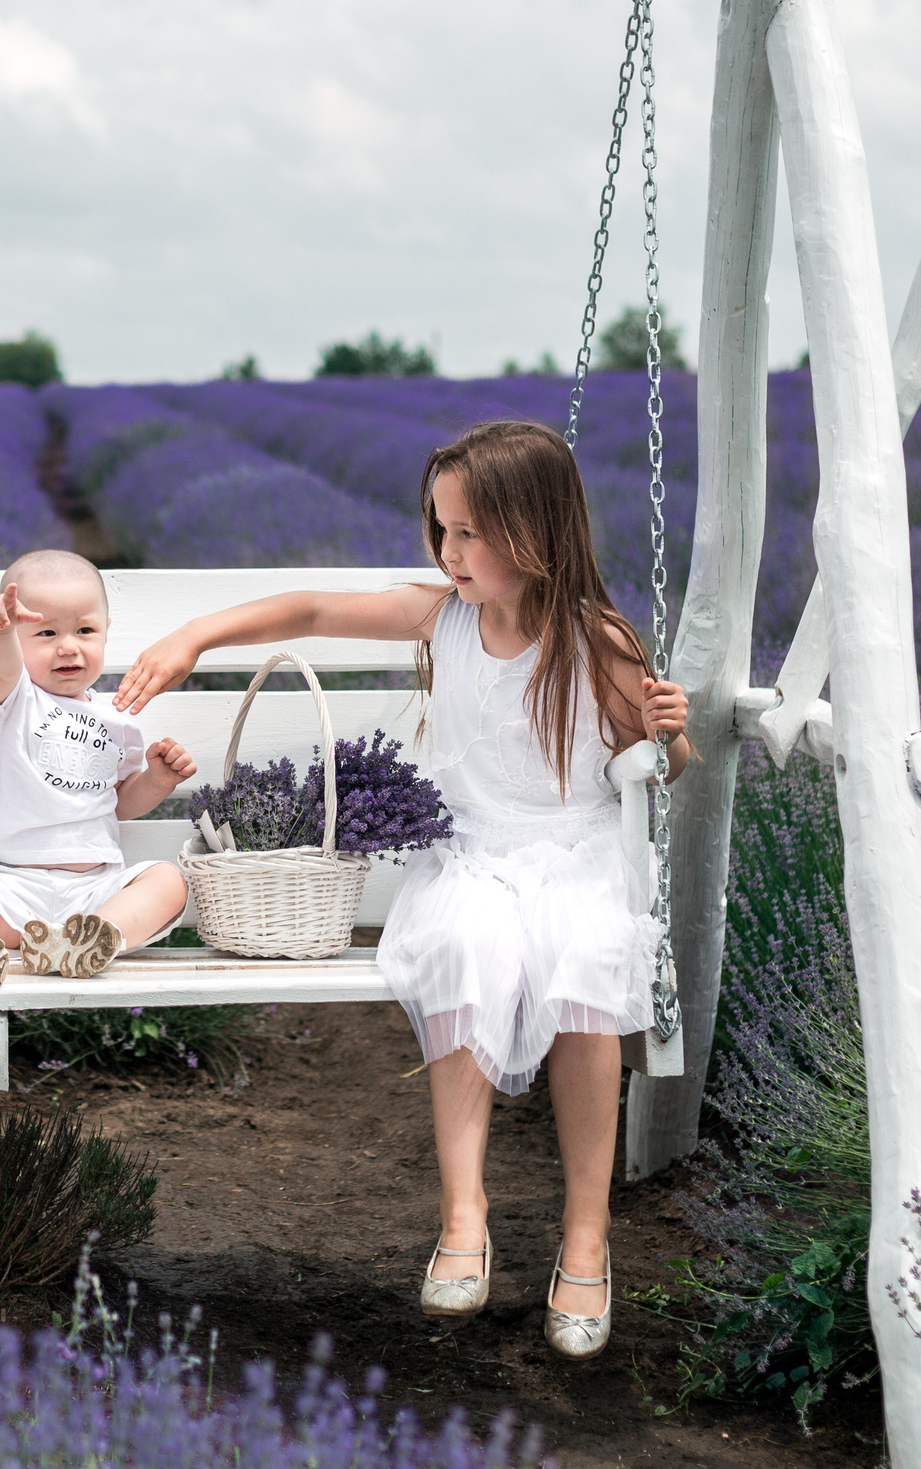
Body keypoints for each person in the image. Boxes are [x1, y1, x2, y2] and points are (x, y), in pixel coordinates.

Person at [111, 421, 689, 1360]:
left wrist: (671, 730)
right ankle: (465, 1213)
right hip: (469, 854)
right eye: (441, 530)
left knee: (585, 963)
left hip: (574, 851)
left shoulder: (596, 639)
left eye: (471, 533)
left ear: (537, 530)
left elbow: (657, 768)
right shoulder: (440, 618)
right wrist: (194, 636)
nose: (450, 553)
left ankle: (588, 1231)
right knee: (464, 947)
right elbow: (306, 610)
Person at [0, 549, 196, 991]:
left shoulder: (120, 720)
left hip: (95, 889)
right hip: (12, 885)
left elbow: (120, 803)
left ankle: (86, 941)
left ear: (107, 633)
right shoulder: (13, 701)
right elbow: (1, 663)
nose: (69, 645)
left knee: (167, 880)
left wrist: (158, 779)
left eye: (85, 630)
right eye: (46, 632)